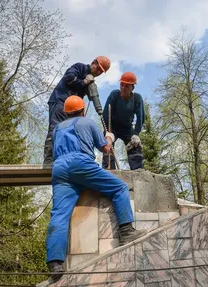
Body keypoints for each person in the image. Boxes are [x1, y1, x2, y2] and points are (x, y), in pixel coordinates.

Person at [46, 95, 147, 281]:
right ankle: (126, 231)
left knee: (59, 215)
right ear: (83, 110)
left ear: (66, 113)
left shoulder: (57, 129)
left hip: (59, 169)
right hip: (80, 163)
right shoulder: (87, 122)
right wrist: (108, 137)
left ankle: (54, 263)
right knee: (119, 188)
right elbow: (105, 149)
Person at [43, 56, 111, 164]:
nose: (98, 72)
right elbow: (69, 78)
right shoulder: (80, 67)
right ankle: (48, 161)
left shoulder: (90, 80)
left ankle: (61, 159)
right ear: (93, 62)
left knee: (67, 132)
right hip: (60, 101)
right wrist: (84, 82)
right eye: (98, 68)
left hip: (72, 109)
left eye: (101, 71)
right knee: (55, 129)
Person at [101, 72, 145, 170]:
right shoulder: (114, 95)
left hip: (127, 128)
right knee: (107, 143)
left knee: (135, 144)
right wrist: (108, 131)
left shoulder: (137, 98)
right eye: (122, 85)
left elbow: (140, 117)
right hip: (112, 127)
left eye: (126, 86)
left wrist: (136, 133)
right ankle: (109, 168)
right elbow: (105, 114)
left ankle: (137, 168)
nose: (123, 88)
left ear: (132, 88)